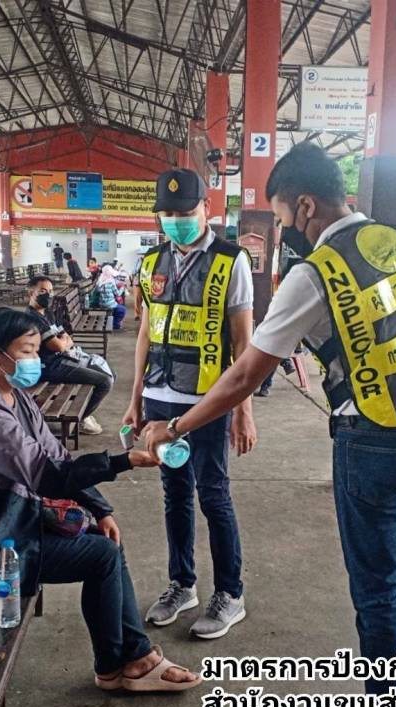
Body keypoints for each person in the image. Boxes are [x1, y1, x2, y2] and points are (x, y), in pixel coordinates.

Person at [143, 143, 396, 707]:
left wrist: (175, 427)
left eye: (281, 217)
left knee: (379, 593)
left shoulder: (316, 273)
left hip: (371, 443)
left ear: (304, 206)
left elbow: (246, 374)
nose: (284, 230)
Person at [0, 307, 200, 693]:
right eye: (26, 352)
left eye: (36, 351)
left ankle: (131, 660)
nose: (35, 361)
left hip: (2, 520)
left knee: (106, 540)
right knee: (102, 556)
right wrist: (124, 461)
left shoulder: (12, 395)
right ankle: (121, 665)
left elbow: (57, 458)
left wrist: (100, 508)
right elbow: (50, 477)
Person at [123, 168, 257, 640]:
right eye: (168, 214)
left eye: (185, 212)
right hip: (160, 398)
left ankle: (230, 594)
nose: (176, 221)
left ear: (206, 208)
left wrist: (243, 410)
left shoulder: (231, 261)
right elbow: (146, 331)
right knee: (175, 495)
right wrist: (136, 398)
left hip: (207, 403)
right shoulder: (151, 262)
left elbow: (244, 343)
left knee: (213, 496)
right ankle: (182, 585)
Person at [26, 275, 111, 435]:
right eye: (43, 291)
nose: (48, 295)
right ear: (31, 293)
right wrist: (63, 342)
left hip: (62, 358)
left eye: (50, 291)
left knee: (109, 374)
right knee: (105, 382)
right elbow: (58, 345)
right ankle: (82, 418)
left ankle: (84, 414)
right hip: (49, 367)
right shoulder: (32, 318)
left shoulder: (47, 313)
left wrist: (63, 342)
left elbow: (67, 338)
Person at [93, 265, 127, 330]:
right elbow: (118, 294)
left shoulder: (100, 281)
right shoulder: (111, 281)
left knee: (116, 306)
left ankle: (110, 322)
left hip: (101, 304)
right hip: (110, 305)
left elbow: (97, 290)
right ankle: (115, 324)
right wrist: (122, 288)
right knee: (122, 309)